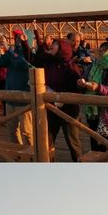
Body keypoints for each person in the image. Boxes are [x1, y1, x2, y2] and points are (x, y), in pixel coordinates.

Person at [33, 31, 83, 160]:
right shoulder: (49, 63)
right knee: (47, 140)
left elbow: (77, 89)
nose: (52, 46)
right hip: (51, 109)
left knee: (73, 142)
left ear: (62, 49)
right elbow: (35, 59)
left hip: (68, 110)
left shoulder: (71, 68)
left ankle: (79, 166)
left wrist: (59, 96)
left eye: (55, 45)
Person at [0, 28, 33, 146]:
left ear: (27, 39)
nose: (17, 39)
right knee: (12, 130)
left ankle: (31, 156)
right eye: (16, 37)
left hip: (24, 99)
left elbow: (22, 63)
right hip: (10, 98)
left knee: (27, 132)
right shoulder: (13, 52)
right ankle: (19, 155)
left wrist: (8, 49)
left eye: (20, 37)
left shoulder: (30, 54)